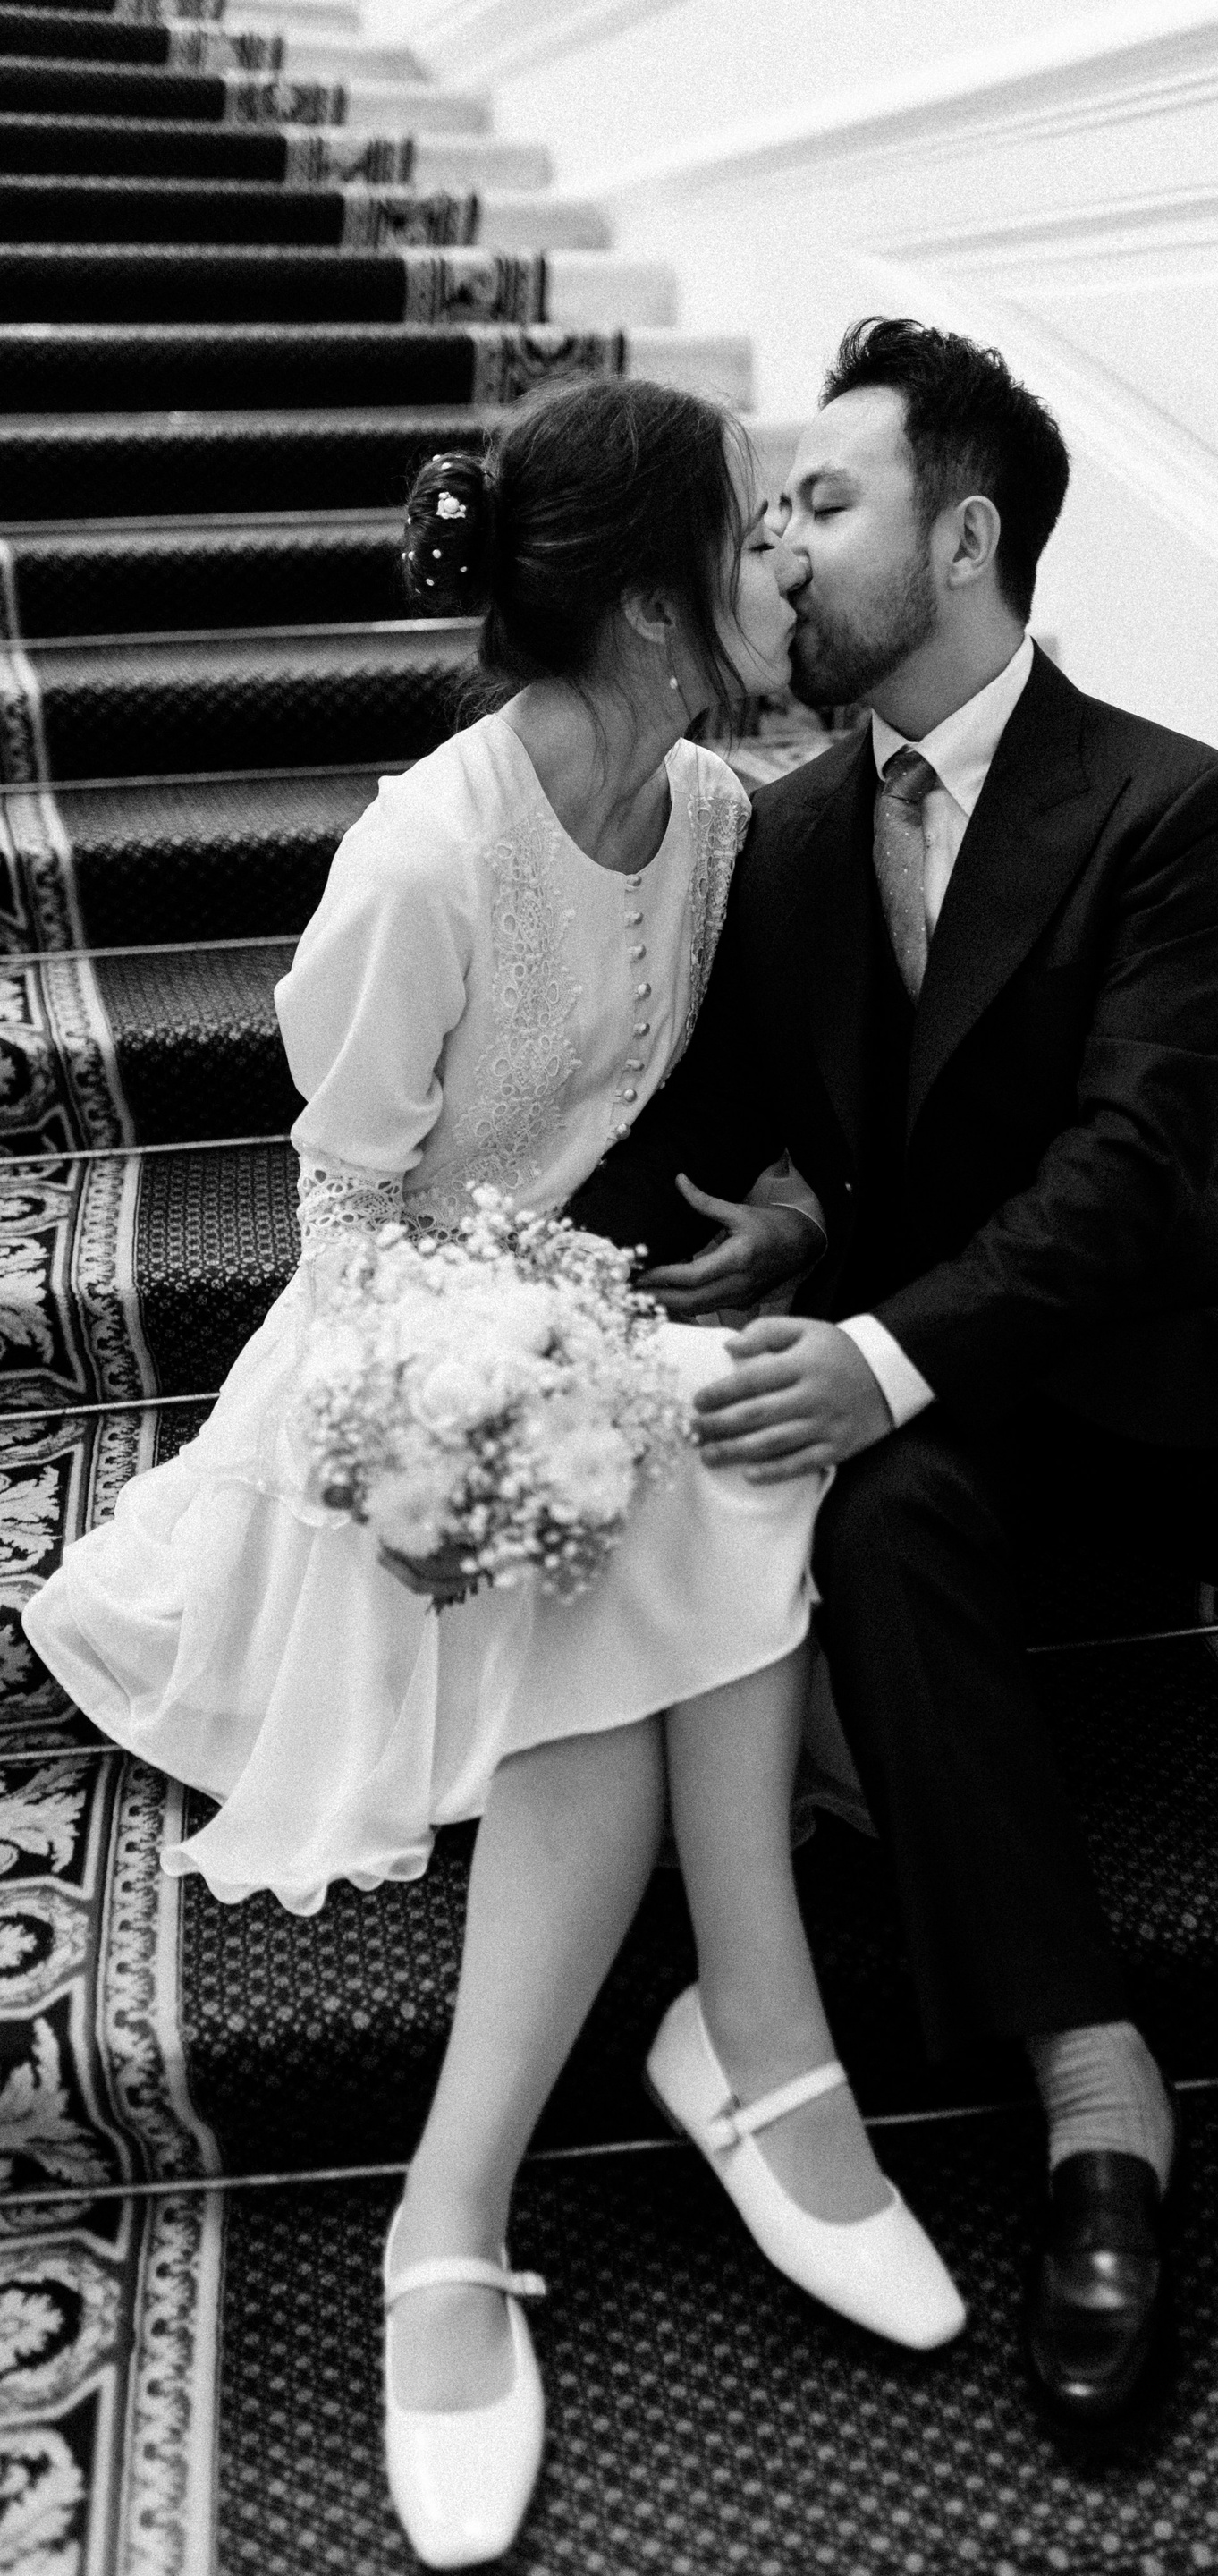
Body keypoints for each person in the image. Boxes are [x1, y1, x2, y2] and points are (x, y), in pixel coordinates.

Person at [571, 318, 1218, 2535]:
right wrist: (672, 1248)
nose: (783, 547)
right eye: (771, 512)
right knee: (884, 1525)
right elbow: (734, 1132)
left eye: (822, 502)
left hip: (1162, 1341)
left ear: (963, 538)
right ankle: (1093, 2085)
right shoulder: (787, 834)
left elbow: (1135, 1170)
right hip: (955, 1409)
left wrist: (880, 1341)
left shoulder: (1174, 802)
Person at [22, 377, 963, 2573]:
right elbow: (344, 1221)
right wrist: (504, 1379)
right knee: (651, 1493)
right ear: (652, 609)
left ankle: (609, 2128)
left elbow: (748, 1106)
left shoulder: (717, 814)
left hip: (573, 1318)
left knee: (715, 1433)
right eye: (754, 531)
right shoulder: (421, 857)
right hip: (391, 1380)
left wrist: (785, 1227)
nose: (789, 561)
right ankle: (636, 2117)